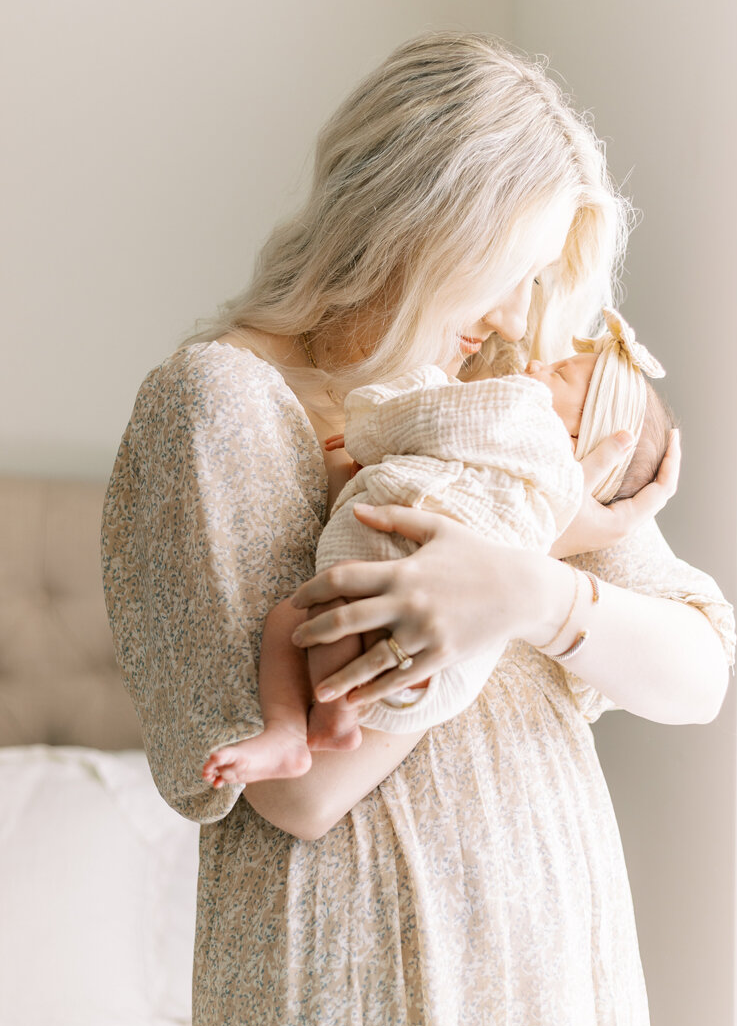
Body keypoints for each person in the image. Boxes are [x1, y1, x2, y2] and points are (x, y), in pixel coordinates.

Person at [101, 32, 735, 1026]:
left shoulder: (506, 399)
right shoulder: (219, 407)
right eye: (512, 267)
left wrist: (537, 591)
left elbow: (697, 673)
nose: (515, 310)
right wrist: (514, 569)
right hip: (367, 992)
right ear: (427, 226)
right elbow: (303, 794)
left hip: (554, 977)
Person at [202, 307, 676, 788]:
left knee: (291, 620)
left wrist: (373, 423)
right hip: (448, 675)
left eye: (560, 374)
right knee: (314, 623)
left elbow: (434, 419)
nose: (536, 367)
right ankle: (333, 719)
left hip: (397, 597)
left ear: (579, 434)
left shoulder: (522, 413)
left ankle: (291, 730)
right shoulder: (558, 500)